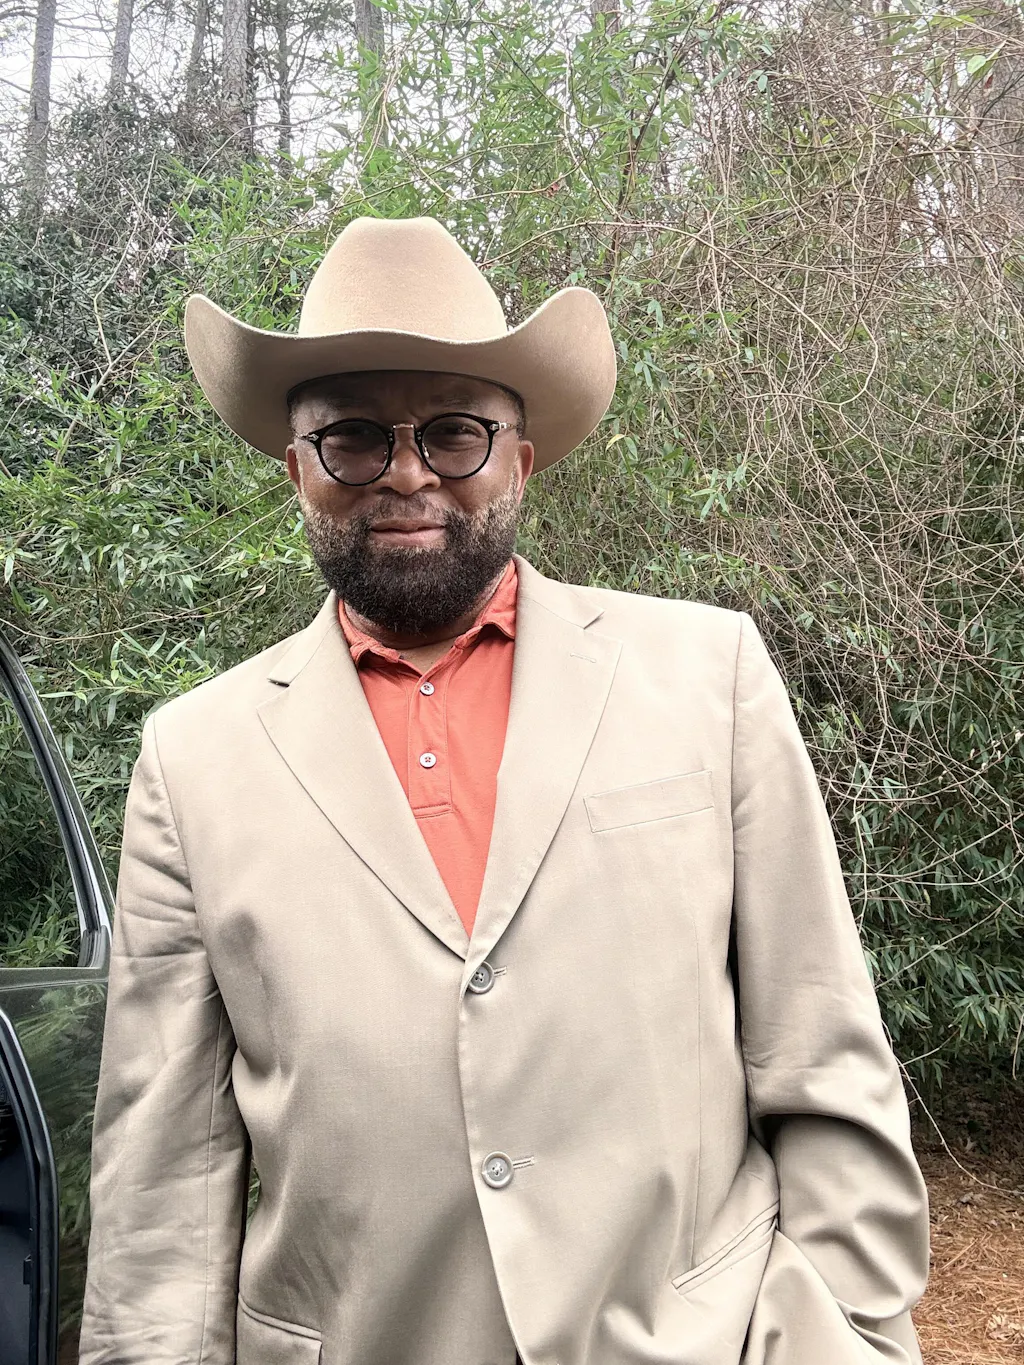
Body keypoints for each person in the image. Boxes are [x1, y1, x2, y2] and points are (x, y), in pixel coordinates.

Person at [78, 215, 930, 1365]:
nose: (407, 472)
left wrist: (851, 1340)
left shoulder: (707, 675)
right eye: (353, 438)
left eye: (454, 431)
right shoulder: (193, 757)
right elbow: (162, 1171)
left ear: (519, 460)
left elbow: (821, 1060)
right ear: (297, 470)